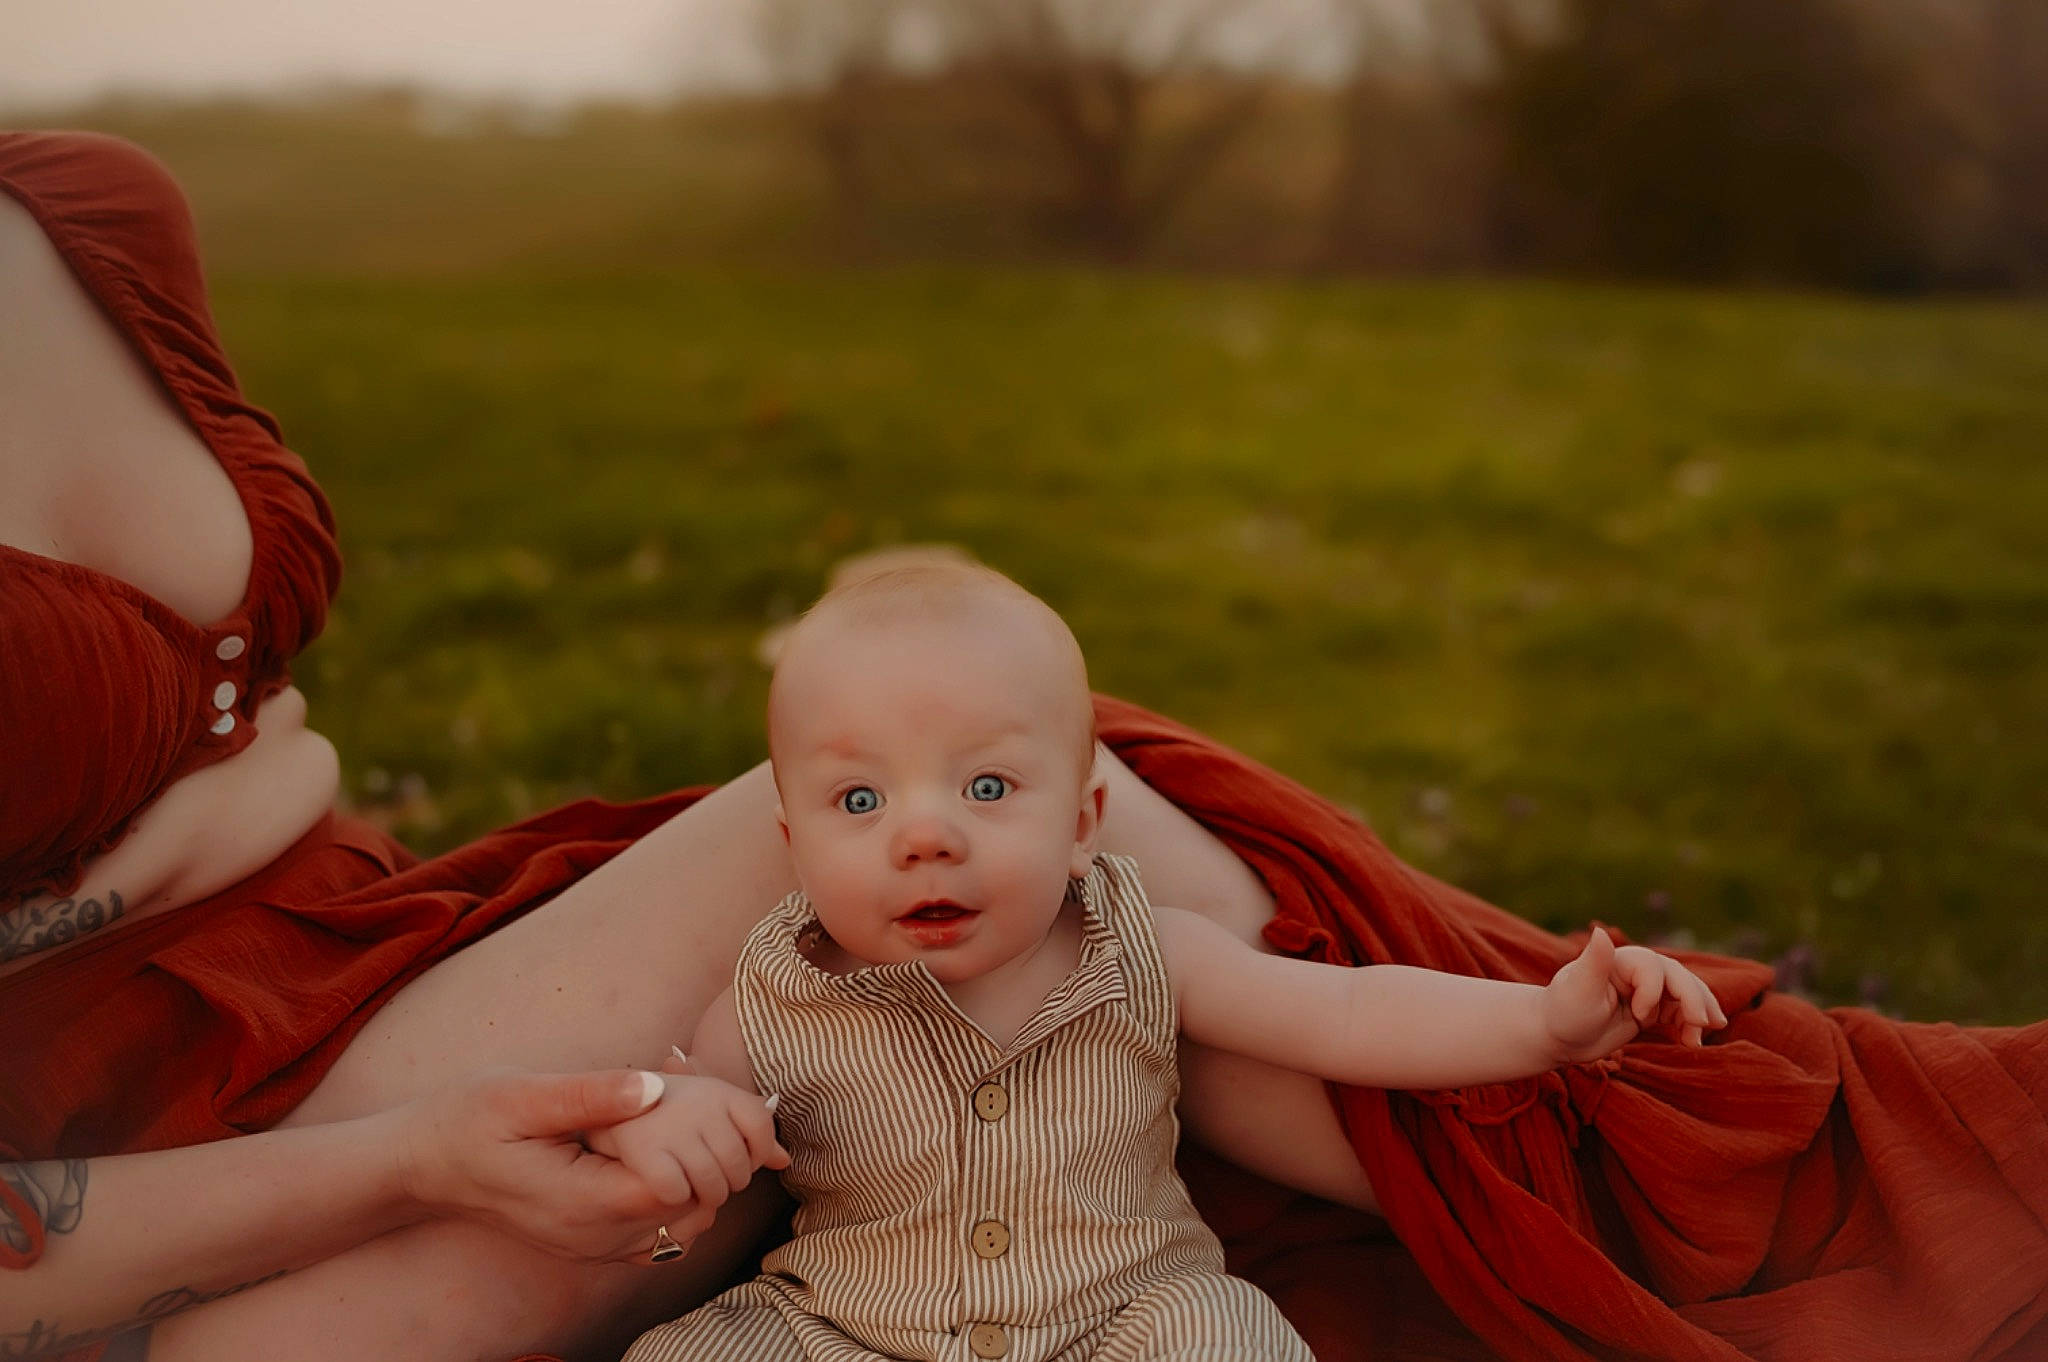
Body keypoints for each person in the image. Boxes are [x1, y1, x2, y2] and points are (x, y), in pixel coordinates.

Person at [2, 128, 2045, 1362]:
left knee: (1062, 851)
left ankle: (1716, 1154)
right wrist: (421, 1157)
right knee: (995, 846)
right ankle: (1788, 1214)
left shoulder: (79, 203)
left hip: (354, 951)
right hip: (132, 1164)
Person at [602, 564, 1726, 1362]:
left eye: (986, 788)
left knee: (1223, 1341)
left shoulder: (1142, 945)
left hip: (1125, 1320)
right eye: (860, 800)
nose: (924, 834)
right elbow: (689, 1132)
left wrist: (1541, 1024)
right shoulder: (773, 993)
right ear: (793, 846)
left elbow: (1346, 1011)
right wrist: (670, 1134)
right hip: (850, 1325)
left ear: (1085, 821)